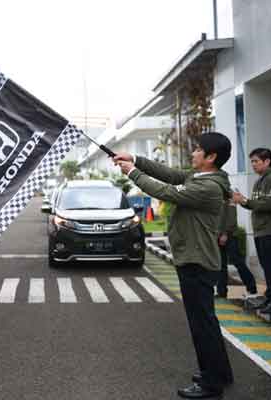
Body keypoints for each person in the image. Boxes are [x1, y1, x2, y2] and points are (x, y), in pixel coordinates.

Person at [114, 132, 233, 399]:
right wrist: (135, 159)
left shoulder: (209, 187)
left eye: (198, 150)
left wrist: (132, 172)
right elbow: (167, 174)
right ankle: (220, 373)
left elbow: (164, 191)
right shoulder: (200, 177)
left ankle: (211, 385)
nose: (193, 153)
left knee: (201, 325)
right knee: (207, 323)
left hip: (197, 262)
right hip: (195, 259)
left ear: (211, 157)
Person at [233, 148, 271, 316]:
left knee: (270, 267)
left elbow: (270, 204)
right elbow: (256, 204)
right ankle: (270, 298)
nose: (253, 165)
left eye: (256, 161)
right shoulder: (259, 181)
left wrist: (245, 200)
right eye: (252, 161)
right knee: (266, 267)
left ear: (267, 161)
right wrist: (243, 201)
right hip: (260, 230)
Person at [216, 198, 258, 300]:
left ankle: (252, 287)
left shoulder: (229, 195)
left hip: (229, 235)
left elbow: (231, 216)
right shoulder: (215, 193)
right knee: (221, 264)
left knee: (237, 261)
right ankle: (221, 292)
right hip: (218, 235)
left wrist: (225, 233)